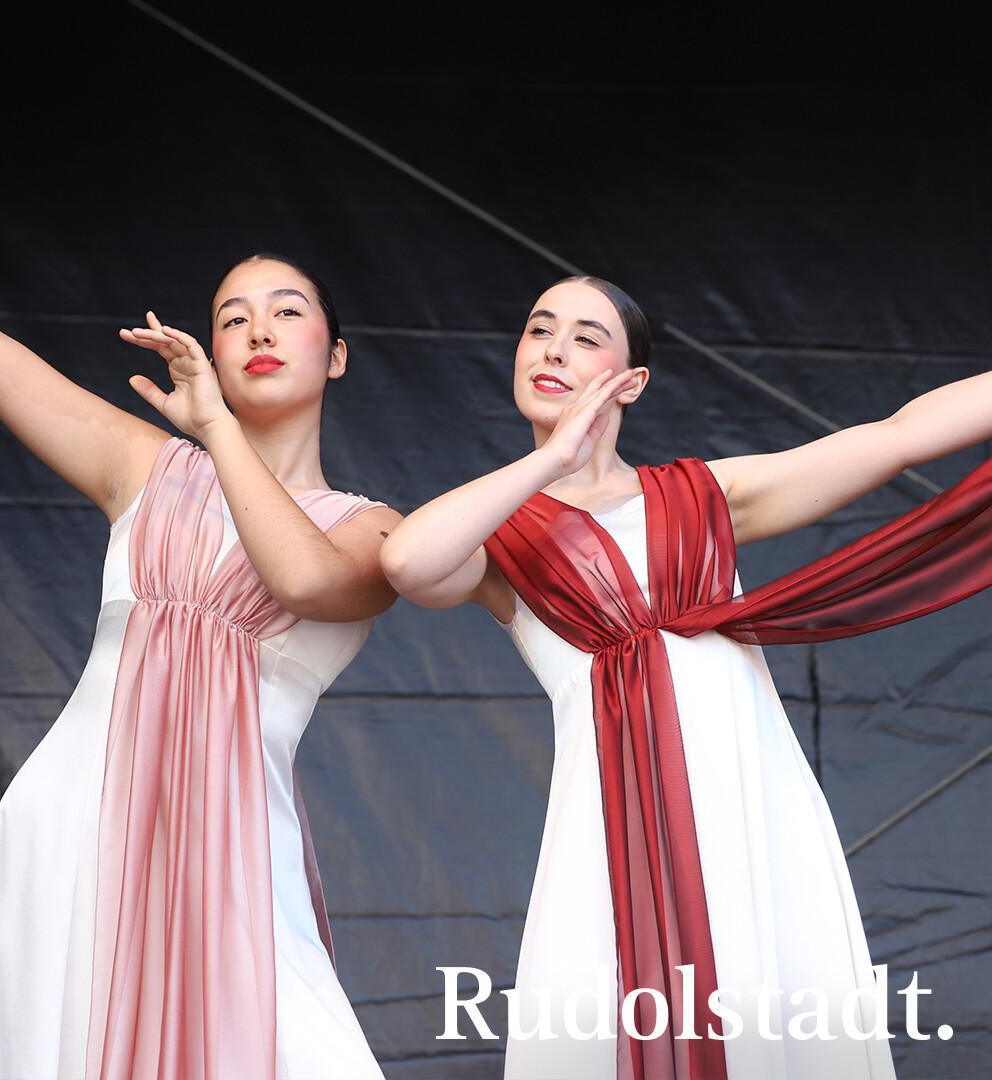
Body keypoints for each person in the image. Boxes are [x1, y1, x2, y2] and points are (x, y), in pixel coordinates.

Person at [380, 274, 992, 1080]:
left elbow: (900, 436)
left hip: (749, 811)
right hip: (611, 828)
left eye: (586, 337)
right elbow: (406, 562)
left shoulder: (704, 496)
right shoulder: (493, 534)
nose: (555, 349)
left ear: (630, 383)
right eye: (539, 330)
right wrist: (553, 458)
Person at [0, 238, 400, 1079]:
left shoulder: (375, 529)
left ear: (337, 355)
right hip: (76, 826)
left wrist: (216, 429)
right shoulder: (147, 468)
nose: (259, 330)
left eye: (286, 311)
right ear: (211, 352)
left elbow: (302, 577)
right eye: (233, 319)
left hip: (235, 854)